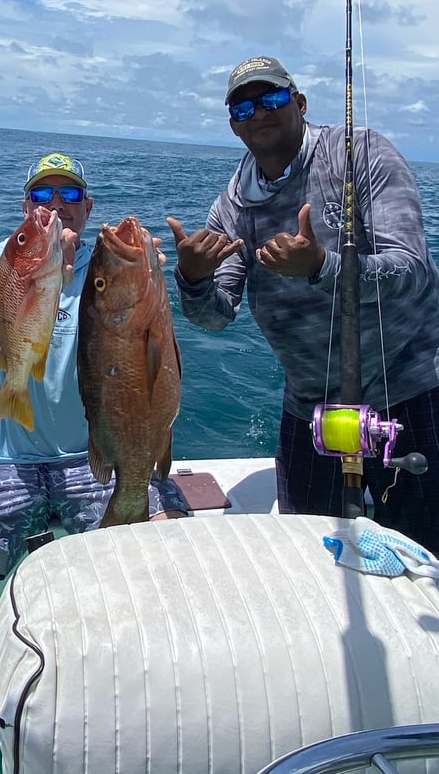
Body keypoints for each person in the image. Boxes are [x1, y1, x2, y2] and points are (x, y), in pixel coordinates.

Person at [0, 152, 188, 773]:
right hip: (2, 456)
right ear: (26, 208)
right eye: (41, 194)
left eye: (70, 194)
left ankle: (152, 715)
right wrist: (48, 263)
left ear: (88, 206)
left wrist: (151, 277)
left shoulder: (114, 270)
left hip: (96, 455)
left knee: (168, 552)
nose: (55, 204)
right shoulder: (1, 264)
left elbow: (155, 349)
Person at [168, 54, 439, 553]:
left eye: (271, 98)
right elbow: (215, 316)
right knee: (308, 556)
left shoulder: (361, 154)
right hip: (309, 406)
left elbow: (414, 267)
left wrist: (322, 266)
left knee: (425, 560)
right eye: (244, 107)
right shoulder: (231, 205)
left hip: (409, 391)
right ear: (233, 125)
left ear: (300, 102)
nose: (260, 112)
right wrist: (192, 278)